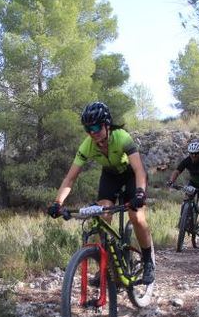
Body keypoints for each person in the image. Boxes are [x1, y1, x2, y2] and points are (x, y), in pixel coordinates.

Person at [47, 102, 156, 285]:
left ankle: (148, 262)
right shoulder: (87, 146)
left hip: (130, 174)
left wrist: (139, 193)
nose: (93, 132)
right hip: (110, 176)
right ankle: (104, 268)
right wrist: (58, 202)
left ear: (106, 124)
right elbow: (70, 179)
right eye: (88, 128)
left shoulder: (121, 137)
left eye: (97, 127)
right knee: (102, 214)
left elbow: (139, 170)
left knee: (136, 216)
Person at [166, 141, 199, 236]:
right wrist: (171, 181)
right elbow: (177, 171)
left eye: (196, 154)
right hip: (193, 184)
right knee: (186, 199)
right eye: (191, 153)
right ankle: (183, 221)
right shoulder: (187, 160)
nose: (193, 156)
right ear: (189, 153)